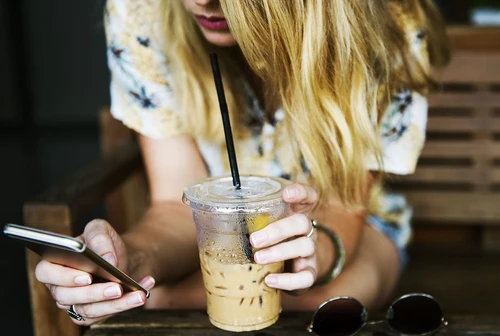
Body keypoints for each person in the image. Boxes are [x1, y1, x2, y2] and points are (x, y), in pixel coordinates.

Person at [34, 0, 450, 326]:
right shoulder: (143, 13)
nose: (200, 1)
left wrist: (315, 253)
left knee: (326, 301)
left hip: (347, 223)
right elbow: (177, 209)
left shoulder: (389, 22)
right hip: (214, 237)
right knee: (187, 296)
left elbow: (345, 206)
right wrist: (132, 264)